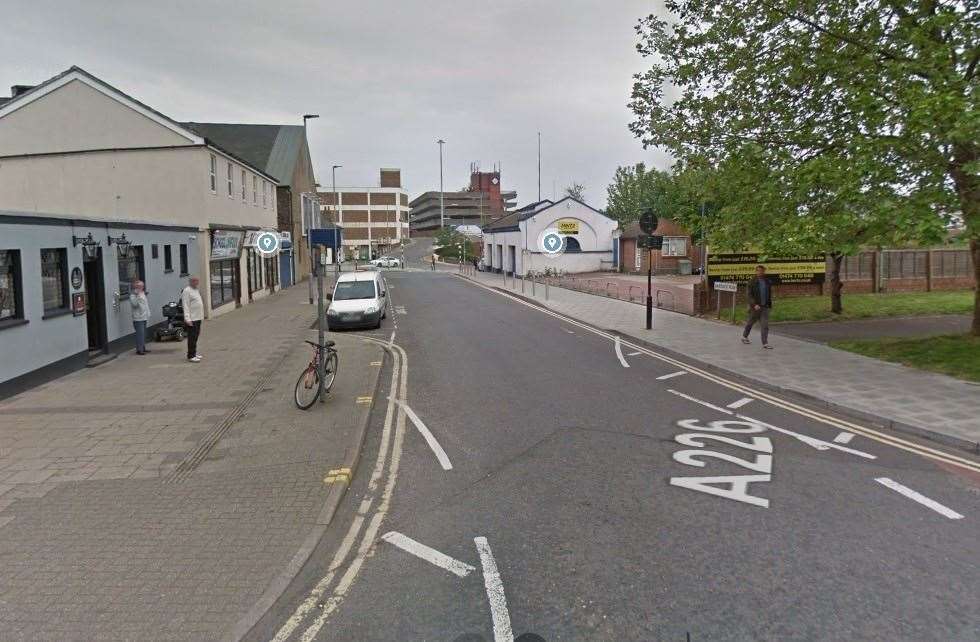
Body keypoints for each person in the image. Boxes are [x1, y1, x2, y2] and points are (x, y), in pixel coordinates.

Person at [742, 265, 774, 349]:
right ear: (756, 272)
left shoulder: (767, 281)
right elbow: (749, 295)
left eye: (762, 271)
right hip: (755, 307)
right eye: (759, 271)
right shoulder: (752, 282)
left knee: (765, 325)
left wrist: (769, 304)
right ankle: (744, 336)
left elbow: (768, 294)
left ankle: (765, 343)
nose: (761, 272)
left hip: (764, 307)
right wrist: (754, 304)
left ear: (764, 271)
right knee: (750, 323)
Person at [181, 276, 205, 362]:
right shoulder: (187, 291)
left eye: (197, 281)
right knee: (192, 337)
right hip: (192, 319)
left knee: (196, 336)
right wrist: (187, 319)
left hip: (198, 317)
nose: (197, 283)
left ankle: (194, 353)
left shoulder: (196, 290)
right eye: (195, 281)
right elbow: (186, 305)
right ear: (191, 282)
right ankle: (191, 355)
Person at [129, 280, 150, 355]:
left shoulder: (142, 293)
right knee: (140, 334)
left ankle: (143, 348)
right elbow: (134, 304)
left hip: (144, 316)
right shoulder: (133, 294)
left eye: (142, 286)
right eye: (141, 286)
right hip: (138, 318)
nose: (142, 287)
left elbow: (145, 304)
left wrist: (148, 313)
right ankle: (139, 350)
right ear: (137, 287)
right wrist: (137, 296)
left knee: (143, 334)